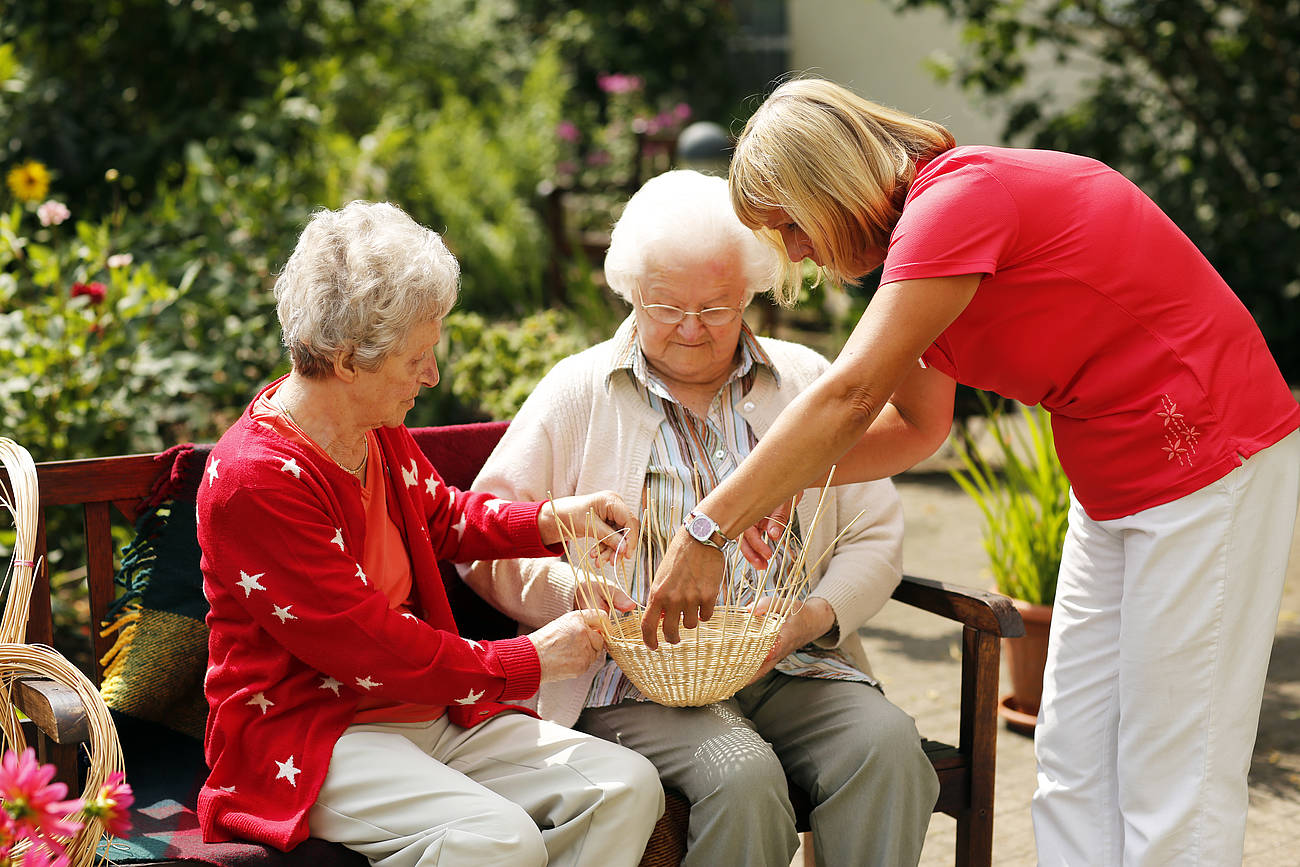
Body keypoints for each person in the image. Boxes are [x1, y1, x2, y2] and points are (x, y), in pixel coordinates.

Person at [641, 78, 1300, 866]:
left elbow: (849, 397)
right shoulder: (914, 252)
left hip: (1207, 459)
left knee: (1174, 767)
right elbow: (916, 426)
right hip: (1114, 477)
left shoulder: (958, 201)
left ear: (827, 185)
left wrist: (710, 525)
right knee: (1071, 751)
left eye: (789, 225)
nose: (794, 251)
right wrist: (781, 491)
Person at [462, 170, 939, 866]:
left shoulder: (806, 380)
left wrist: (811, 619)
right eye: (665, 306)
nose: (690, 328)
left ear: (748, 289)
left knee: (888, 746)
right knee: (740, 775)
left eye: (715, 308)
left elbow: (871, 532)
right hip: (629, 677)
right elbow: (484, 538)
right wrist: (574, 594)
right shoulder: (577, 392)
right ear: (631, 291)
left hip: (788, 660)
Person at [195, 200, 663, 867]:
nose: (432, 375)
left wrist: (554, 519)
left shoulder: (372, 424)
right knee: (497, 838)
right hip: (314, 734)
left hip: (426, 707)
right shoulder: (256, 480)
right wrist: (529, 659)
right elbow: (368, 645)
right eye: (417, 357)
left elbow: (437, 515)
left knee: (625, 787)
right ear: (347, 359)